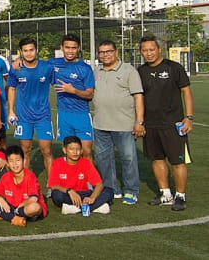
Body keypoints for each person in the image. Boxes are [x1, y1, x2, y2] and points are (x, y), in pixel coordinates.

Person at [137, 35, 193, 211]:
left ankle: (181, 196)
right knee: (157, 159)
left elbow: (186, 92)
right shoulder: (140, 71)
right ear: (141, 52)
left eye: (152, 49)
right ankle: (166, 194)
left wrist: (189, 117)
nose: (149, 53)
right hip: (151, 125)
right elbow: (139, 98)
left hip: (173, 124)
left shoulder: (174, 68)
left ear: (159, 49)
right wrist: (140, 122)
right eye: (145, 50)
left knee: (178, 161)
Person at [92, 40, 145, 204]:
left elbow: (138, 97)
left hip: (124, 124)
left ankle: (131, 190)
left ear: (116, 52)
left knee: (128, 158)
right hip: (100, 124)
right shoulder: (96, 70)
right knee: (103, 159)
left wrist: (139, 122)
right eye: (101, 52)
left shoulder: (129, 71)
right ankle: (111, 189)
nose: (105, 55)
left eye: (108, 51)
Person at [7, 38, 54, 173]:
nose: (29, 54)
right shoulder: (16, 69)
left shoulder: (47, 67)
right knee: (25, 150)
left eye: (31, 50)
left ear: (36, 50)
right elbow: (12, 88)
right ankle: (25, 183)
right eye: (25, 51)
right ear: (21, 52)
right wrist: (11, 111)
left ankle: (51, 186)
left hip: (43, 116)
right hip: (23, 117)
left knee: (47, 151)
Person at [49, 34, 96, 161]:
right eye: (67, 47)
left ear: (78, 48)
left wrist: (73, 90)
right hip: (64, 115)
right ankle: (71, 180)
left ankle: (89, 181)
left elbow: (90, 94)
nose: (70, 51)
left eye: (73, 48)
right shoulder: (53, 63)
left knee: (86, 151)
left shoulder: (85, 69)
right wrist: (19, 61)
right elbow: (36, 65)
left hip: (82, 115)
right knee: (69, 153)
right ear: (62, 48)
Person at [0, 145, 46, 227]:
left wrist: (20, 207)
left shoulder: (30, 176)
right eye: (11, 161)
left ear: (23, 161)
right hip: (12, 207)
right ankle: (14, 218)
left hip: (25, 207)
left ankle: (3, 215)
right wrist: (0, 198)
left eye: (18, 160)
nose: (15, 164)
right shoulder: (6, 177)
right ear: (7, 164)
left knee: (34, 207)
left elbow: (33, 199)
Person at [48, 135, 113, 215]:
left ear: (81, 150)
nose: (75, 152)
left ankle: (76, 208)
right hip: (68, 194)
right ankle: (95, 207)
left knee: (109, 191)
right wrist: (69, 191)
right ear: (64, 150)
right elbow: (53, 185)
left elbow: (99, 184)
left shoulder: (86, 163)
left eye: (78, 149)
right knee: (56, 195)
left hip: (85, 194)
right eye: (71, 149)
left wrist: (92, 197)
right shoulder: (57, 163)